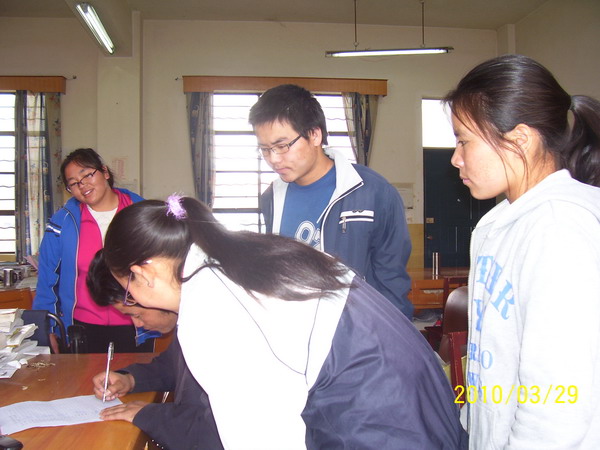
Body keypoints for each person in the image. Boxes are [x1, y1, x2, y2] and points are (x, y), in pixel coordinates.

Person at [92, 194, 467, 449]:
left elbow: (261, 439)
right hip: (420, 401)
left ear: (144, 273)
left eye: (130, 293)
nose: (137, 303)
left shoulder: (212, 304)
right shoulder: (237, 256)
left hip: (382, 420)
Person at [444, 54, 600, 448]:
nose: (456, 158)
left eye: (464, 140)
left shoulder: (559, 228)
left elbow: (560, 405)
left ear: (520, 140)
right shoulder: (499, 222)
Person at [248, 84, 413, 319]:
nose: (273, 159)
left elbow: (392, 282)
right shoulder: (271, 198)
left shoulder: (373, 192)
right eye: (265, 149)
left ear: (315, 135)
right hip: (295, 325)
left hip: (357, 328)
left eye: (282, 146)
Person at [87, 255, 223, 450]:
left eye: (136, 314)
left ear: (146, 281)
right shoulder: (191, 317)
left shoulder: (221, 327)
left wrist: (151, 415)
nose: (138, 324)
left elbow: (215, 435)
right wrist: (130, 379)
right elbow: (171, 366)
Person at [33, 148, 154, 353]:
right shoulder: (62, 223)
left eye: (87, 175)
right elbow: (47, 279)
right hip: (83, 328)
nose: (83, 185)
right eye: (73, 183)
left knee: (136, 373)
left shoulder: (142, 213)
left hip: (137, 325)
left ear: (104, 172)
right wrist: (47, 328)